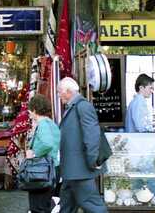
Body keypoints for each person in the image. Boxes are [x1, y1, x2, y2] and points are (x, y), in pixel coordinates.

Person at [57, 77, 107, 213]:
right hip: (72, 170)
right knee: (67, 207)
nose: (58, 94)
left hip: (80, 170)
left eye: (59, 91)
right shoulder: (74, 106)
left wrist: (92, 161)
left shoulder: (83, 106)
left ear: (68, 91)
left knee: (93, 206)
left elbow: (92, 136)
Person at [26, 94, 60, 213]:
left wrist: (34, 153)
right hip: (51, 168)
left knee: (38, 206)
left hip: (43, 171)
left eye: (30, 110)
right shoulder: (51, 123)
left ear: (35, 110)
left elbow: (47, 143)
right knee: (44, 205)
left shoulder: (43, 125)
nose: (29, 113)